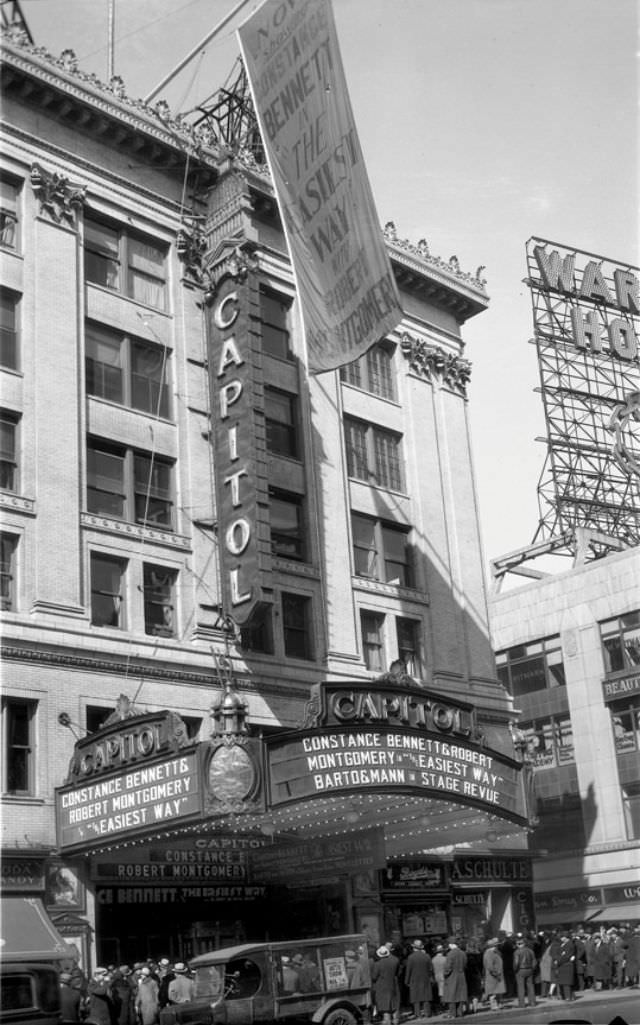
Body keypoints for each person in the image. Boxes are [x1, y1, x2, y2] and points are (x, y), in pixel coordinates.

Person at [371, 945, 401, 1025]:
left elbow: (374, 977)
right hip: (393, 984)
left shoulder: (378, 964)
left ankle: (387, 1021)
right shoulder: (395, 961)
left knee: (385, 1005)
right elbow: (397, 973)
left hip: (382, 986)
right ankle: (395, 1019)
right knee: (394, 1002)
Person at [404, 939, 433, 1019]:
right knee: (426, 997)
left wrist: (406, 981)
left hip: (414, 979)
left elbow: (408, 970)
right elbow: (430, 968)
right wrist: (430, 977)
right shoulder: (427, 956)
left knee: (416, 998)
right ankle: (427, 1013)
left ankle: (418, 1014)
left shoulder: (411, 957)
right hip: (425, 978)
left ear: (414, 948)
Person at [442, 937, 467, 1019]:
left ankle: (452, 1014)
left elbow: (448, 967)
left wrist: (445, 974)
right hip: (461, 976)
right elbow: (465, 965)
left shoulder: (450, 954)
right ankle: (460, 1013)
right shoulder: (463, 953)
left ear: (451, 944)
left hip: (452, 976)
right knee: (460, 995)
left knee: (452, 995)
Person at [482, 938, 505, 1011]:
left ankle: (499, 1004)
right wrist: (495, 973)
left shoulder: (496, 952)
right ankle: (494, 1006)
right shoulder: (488, 953)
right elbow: (489, 966)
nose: (497, 947)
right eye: (495, 945)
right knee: (493, 992)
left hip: (498, 974)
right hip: (493, 975)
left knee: (498, 991)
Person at [513, 936, 537, 1008]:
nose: (517, 945)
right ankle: (532, 1002)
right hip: (529, 970)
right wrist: (532, 969)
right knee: (530, 986)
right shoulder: (530, 951)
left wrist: (515, 970)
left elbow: (516, 963)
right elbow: (534, 961)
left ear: (520, 944)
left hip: (520, 970)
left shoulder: (517, 952)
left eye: (518, 944)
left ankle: (522, 1004)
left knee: (521, 987)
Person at [554, 932, 576, 1001]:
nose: (561, 939)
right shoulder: (564, 944)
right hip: (563, 966)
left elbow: (566, 956)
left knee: (566, 983)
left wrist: (558, 960)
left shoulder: (569, 945)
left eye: (562, 937)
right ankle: (570, 996)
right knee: (565, 982)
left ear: (566, 937)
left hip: (566, 966)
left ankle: (568, 997)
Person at [463, 938, 483, 1014]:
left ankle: (468, 1009)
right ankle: (475, 1009)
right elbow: (481, 966)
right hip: (476, 975)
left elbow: (464, 966)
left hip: (467, 976)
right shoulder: (479, 954)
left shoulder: (465, 955)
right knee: (476, 993)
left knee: (468, 993)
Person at [431, 944, 446, 1013]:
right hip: (443, 977)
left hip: (436, 977)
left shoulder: (433, 960)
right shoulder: (445, 959)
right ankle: (443, 1006)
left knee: (437, 992)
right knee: (442, 992)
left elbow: (431, 970)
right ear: (442, 951)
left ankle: (438, 1006)